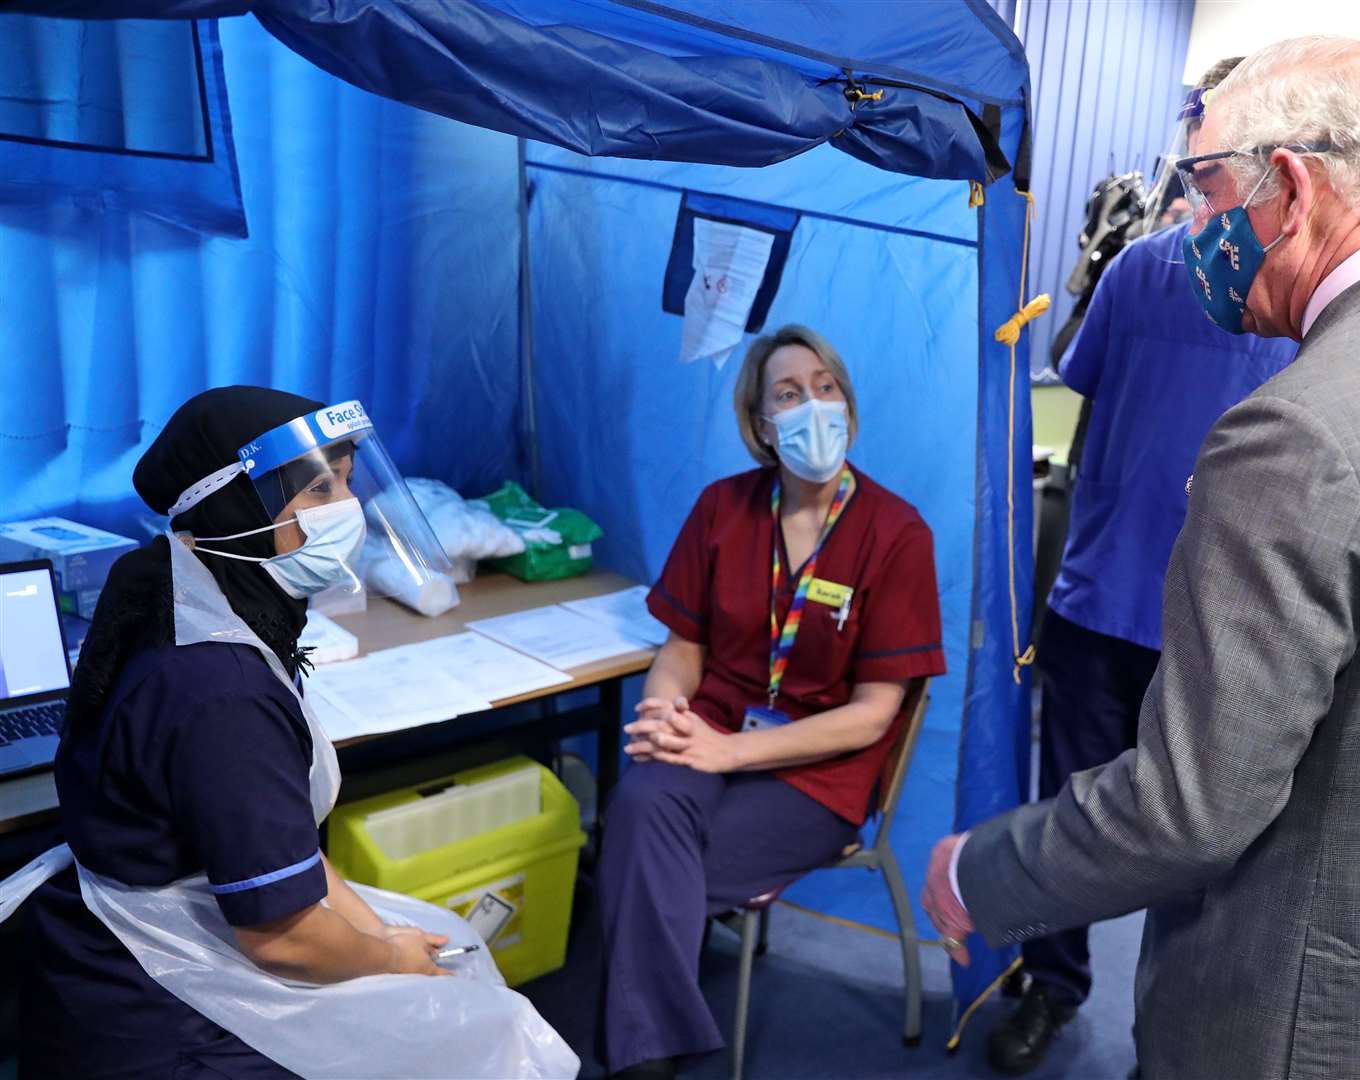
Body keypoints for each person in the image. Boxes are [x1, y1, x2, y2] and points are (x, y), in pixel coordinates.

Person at [923, 35, 1360, 1079]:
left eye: (1205, 192)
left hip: (1301, 1022)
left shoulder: (1300, 429)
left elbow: (1189, 809)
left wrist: (983, 874)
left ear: (1289, 187)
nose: (1192, 226)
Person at [3, 387, 575, 1078]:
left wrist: (383, 936)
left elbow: (284, 852)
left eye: (347, 479)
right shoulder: (222, 694)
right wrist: (391, 960)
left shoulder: (182, 595)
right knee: (491, 1032)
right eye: (316, 488)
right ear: (233, 507)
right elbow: (285, 939)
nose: (347, 508)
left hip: (135, 930)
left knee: (448, 951)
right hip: (154, 1003)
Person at [984, 56, 1299, 1078]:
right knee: (1069, 815)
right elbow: (1077, 382)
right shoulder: (1140, 273)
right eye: (1194, 153)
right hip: (1098, 601)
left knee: (1207, 851)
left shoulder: (1303, 309)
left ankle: (1180, 1038)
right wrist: (1088, 270)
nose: (1199, 176)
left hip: (1224, 626)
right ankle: (1051, 985)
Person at [598, 325, 946, 1079]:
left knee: (648, 859)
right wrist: (664, 712)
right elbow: (684, 647)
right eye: (788, 395)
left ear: (848, 407)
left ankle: (640, 1062)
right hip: (710, 728)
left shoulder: (896, 533)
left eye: (826, 388)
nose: (812, 406)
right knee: (637, 808)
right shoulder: (723, 509)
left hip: (817, 769)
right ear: (760, 424)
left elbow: (873, 713)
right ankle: (654, 1053)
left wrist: (731, 752)